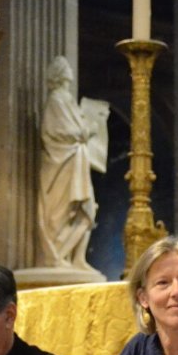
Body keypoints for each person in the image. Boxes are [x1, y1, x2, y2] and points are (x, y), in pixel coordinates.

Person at [36, 55, 109, 272]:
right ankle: (56, 255)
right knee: (60, 211)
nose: (69, 72)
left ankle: (77, 258)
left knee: (87, 210)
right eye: (65, 70)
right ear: (59, 75)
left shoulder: (66, 100)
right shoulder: (56, 100)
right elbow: (62, 131)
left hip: (76, 163)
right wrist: (89, 130)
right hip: (62, 165)